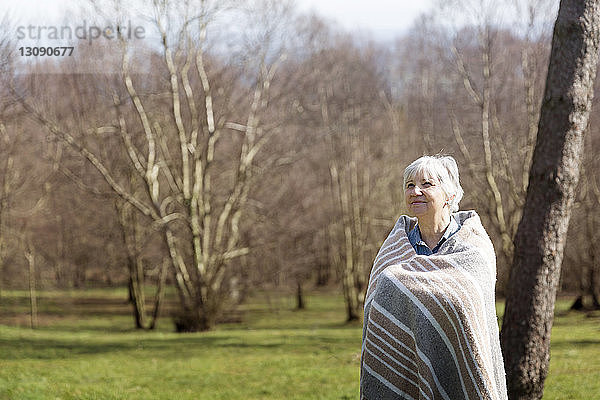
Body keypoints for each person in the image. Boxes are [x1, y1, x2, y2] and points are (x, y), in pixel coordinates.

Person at [360, 155, 507, 400]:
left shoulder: (474, 249)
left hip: (459, 366)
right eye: (409, 185)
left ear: (449, 195)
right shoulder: (393, 249)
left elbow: (473, 312)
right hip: (404, 368)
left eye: (426, 184)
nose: (415, 191)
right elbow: (377, 310)